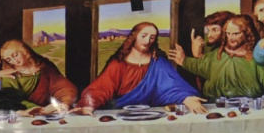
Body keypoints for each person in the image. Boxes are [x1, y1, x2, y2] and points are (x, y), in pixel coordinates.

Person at [76, 22, 207, 114]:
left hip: (153, 115)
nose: (147, 40)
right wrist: (88, 105)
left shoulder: (158, 62)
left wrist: (187, 98)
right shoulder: (118, 64)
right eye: (143, 36)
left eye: (152, 37)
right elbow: (101, 88)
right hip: (121, 114)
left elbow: (173, 86)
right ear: (134, 36)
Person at [170, 15, 264, 99]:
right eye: (228, 34)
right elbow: (200, 65)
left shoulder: (256, 59)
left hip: (248, 109)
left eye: (236, 34)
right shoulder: (216, 56)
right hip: (215, 107)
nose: (231, 38)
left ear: (246, 34)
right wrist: (183, 60)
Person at [0, 39, 78, 115]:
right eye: (9, 59)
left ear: (24, 51)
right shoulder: (9, 76)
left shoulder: (45, 67)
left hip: (53, 112)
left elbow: (64, 88)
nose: (14, 60)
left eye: (15, 55)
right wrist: (40, 109)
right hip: (27, 114)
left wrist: (64, 104)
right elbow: (13, 100)